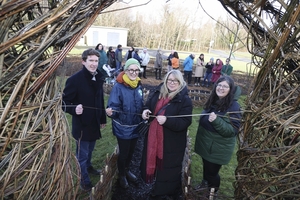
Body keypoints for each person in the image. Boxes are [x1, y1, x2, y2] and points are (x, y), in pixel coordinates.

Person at [141, 70, 193, 199]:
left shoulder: (184, 100)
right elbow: (147, 106)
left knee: (168, 168)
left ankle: (162, 193)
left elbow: (185, 122)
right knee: (156, 162)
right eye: (169, 80)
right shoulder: (158, 93)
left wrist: (167, 121)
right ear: (165, 80)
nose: (172, 83)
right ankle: (155, 186)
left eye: (175, 80)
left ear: (180, 82)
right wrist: (145, 111)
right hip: (154, 137)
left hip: (172, 142)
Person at [62, 48, 107, 192]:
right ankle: (84, 181)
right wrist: (74, 108)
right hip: (82, 124)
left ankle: (88, 167)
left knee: (90, 150)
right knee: (82, 155)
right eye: (91, 61)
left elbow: (99, 99)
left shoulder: (98, 76)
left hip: (94, 122)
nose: (94, 64)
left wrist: (102, 118)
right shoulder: (74, 80)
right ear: (83, 62)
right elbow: (64, 102)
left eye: (96, 61)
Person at [194, 76, 241, 198]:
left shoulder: (233, 106)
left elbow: (233, 131)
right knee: (207, 169)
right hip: (207, 145)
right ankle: (205, 185)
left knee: (212, 174)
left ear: (230, 89)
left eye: (225, 86)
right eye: (219, 85)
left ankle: (213, 193)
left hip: (216, 148)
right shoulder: (214, 100)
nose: (221, 88)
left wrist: (216, 121)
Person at [106, 58, 144, 189]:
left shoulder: (139, 85)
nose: (134, 72)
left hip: (136, 127)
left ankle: (127, 170)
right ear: (125, 71)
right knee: (124, 153)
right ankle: (122, 175)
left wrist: (144, 112)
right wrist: (111, 112)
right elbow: (113, 106)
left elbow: (141, 105)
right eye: (131, 70)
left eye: (136, 70)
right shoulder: (119, 86)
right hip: (123, 128)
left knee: (132, 152)